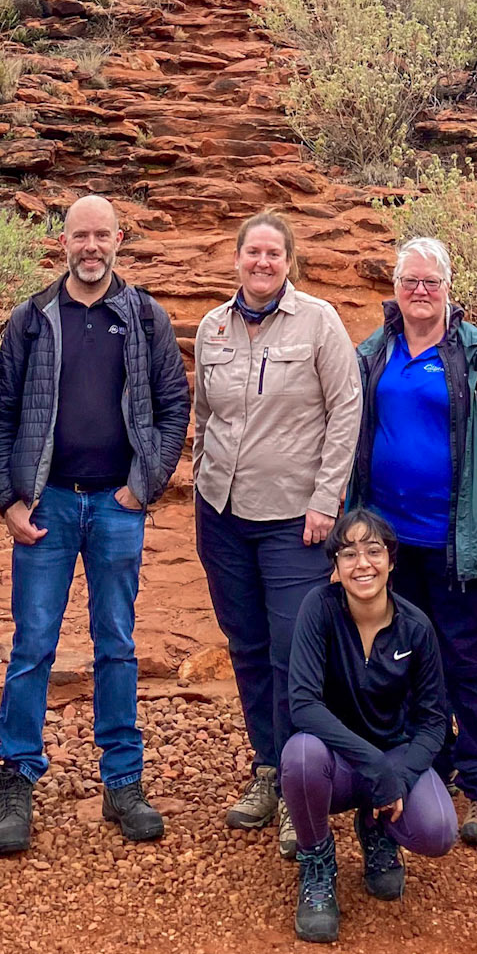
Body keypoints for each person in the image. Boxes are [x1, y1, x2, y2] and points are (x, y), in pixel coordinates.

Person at [0, 193, 190, 851]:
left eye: (103, 235)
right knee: (33, 648)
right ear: (64, 241)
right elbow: (0, 414)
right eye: (81, 236)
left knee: (117, 645)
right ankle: (17, 780)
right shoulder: (31, 319)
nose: (92, 246)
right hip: (46, 504)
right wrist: (9, 500)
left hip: (115, 506)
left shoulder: (144, 317)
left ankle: (123, 782)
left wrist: (144, 484)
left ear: (119, 238)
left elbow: (172, 406)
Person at [349, 237, 477, 847]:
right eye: (411, 282)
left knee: (467, 661)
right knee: (398, 660)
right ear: (396, 288)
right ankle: (426, 765)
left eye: (432, 282)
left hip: (457, 539)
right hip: (387, 545)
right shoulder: (373, 353)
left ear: (449, 288)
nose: (421, 292)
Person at [193, 210, 363, 860]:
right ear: (236, 258)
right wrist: (203, 492)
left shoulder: (319, 322)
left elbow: (346, 410)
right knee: (246, 644)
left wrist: (327, 502)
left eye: (274, 253)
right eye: (252, 252)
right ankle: (268, 768)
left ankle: (303, 788)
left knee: (294, 653)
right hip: (223, 515)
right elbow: (205, 417)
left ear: (290, 261)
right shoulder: (213, 326)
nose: (262, 262)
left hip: (295, 518)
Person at [281, 508, 456, 942]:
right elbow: (302, 704)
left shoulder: (416, 627)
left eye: (374, 551)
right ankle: (317, 862)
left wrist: (395, 774)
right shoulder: (317, 610)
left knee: (438, 831)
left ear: (392, 561)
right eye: (349, 553)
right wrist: (375, 767)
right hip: (335, 762)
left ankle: (377, 829)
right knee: (300, 756)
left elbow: (434, 721)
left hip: (394, 755)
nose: (363, 564)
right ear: (335, 568)